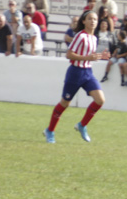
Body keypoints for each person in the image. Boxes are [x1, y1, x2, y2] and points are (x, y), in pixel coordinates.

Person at [42, 10, 109, 144]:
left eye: (95, 19)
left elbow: (90, 56)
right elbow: (69, 54)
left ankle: (82, 125)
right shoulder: (80, 36)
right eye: (90, 19)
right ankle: (50, 130)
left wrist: (101, 56)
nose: (93, 21)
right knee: (65, 103)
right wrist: (87, 57)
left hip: (87, 72)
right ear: (84, 21)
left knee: (100, 100)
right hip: (75, 72)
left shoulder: (94, 38)